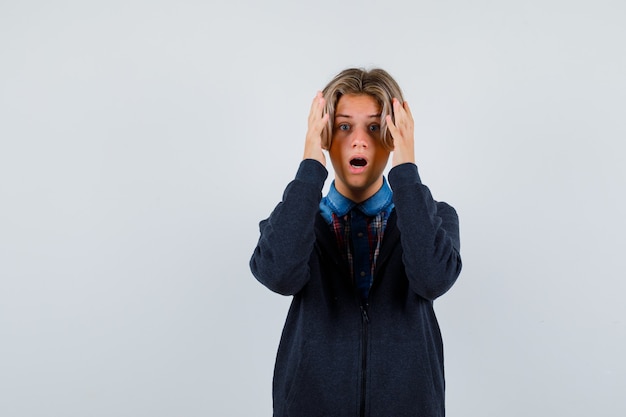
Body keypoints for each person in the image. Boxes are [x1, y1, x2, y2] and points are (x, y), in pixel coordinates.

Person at [250, 68, 462, 417]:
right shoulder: (296, 218)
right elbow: (278, 275)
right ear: (325, 134)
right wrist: (309, 164)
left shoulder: (435, 217)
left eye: (376, 127)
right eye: (345, 126)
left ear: (395, 135)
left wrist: (406, 166)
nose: (359, 140)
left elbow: (432, 278)